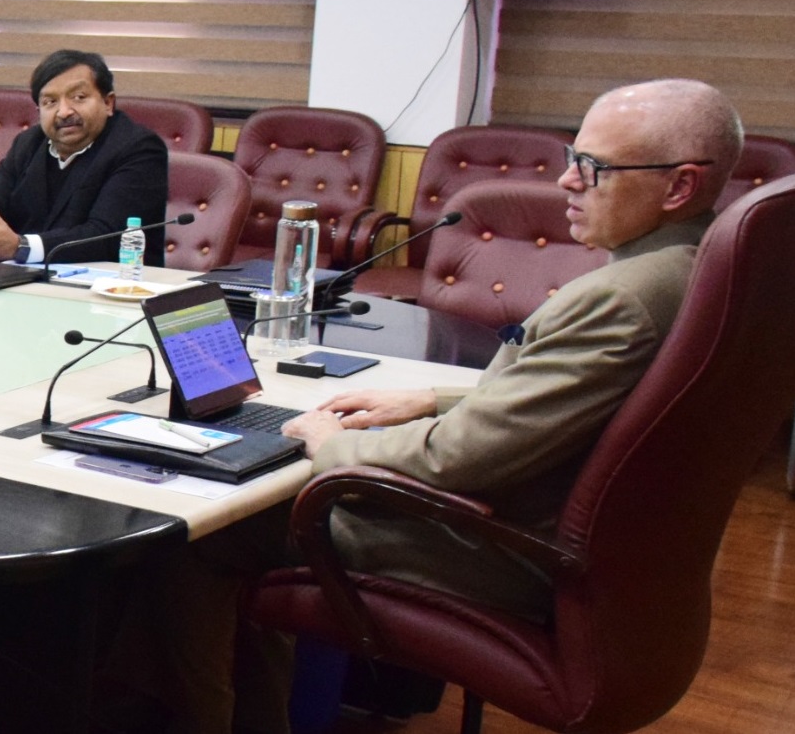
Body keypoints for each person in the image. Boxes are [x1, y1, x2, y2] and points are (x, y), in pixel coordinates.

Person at [119, 78, 744, 734]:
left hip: (490, 546)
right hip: (567, 544)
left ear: (679, 187)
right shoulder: (690, 273)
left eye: (592, 167)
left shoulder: (620, 300)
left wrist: (330, 442)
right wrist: (430, 397)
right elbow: (580, 396)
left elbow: (453, 458)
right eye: (571, 158)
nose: (566, 181)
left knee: (205, 532)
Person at [0, 49, 167, 264]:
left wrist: (20, 247)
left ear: (108, 103)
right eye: (50, 102)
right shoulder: (28, 144)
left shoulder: (139, 149)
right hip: (25, 278)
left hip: (112, 280)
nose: (64, 112)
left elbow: (108, 237)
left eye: (78, 97)